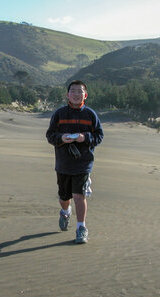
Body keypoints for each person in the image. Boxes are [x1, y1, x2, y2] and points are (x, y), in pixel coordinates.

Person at [46, 80, 104, 244]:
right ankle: (65, 211)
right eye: (73, 91)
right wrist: (62, 138)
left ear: (85, 95)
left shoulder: (90, 115)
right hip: (63, 163)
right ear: (67, 94)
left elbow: (99, 136)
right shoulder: (59, 114)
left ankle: (81, 228)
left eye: (80, 91)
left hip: (83, 163)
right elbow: (50, 135)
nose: (77, 94)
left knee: (79, 196)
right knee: (64, 196)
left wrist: (85, 138)